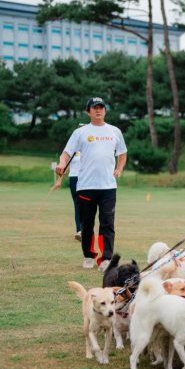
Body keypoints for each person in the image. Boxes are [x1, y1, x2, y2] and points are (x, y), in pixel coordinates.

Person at [55, 97, 127, 271]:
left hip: (108, 187)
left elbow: (122, 153)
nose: (98, 110)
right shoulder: (80, 133)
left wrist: (119, 169)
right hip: (86, 186)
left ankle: (106, 259)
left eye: (101, 107)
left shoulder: (115, 131)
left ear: (105, 111)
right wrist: (62, 164)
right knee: (87, 224)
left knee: (107, 223)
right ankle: (89, 255)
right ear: (88, 112)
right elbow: (66, 153)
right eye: (94, 108)